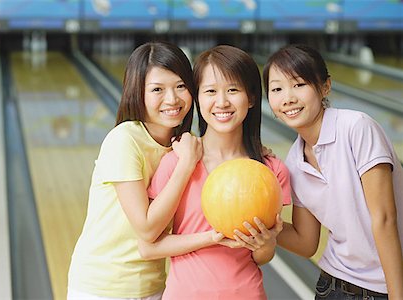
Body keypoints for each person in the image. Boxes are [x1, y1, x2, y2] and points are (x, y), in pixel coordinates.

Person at [138, 45, 291, 300]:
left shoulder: (271, 170)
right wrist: (212, 237)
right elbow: (149, 246)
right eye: (210, 91)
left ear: (251, 98)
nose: (222, 102)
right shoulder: (176, 163)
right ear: (198, 98)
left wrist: (266, 244)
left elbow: (262, 257)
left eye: (233, 90)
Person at [263, 44, 403, 299]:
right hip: (333, 287)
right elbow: (306, 243)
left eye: (299, 84)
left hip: (388, 288)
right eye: (277, 89)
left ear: (325, 86)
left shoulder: (357, 128)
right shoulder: (294, 162)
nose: (288, 98)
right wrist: (262, 224)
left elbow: (384, 219)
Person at [67, 41, 203, 300]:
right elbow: (147, 229)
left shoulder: (187, 145)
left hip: (153, 287)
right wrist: (185, 165)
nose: (172, 99)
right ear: (137, 92)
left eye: (180, 86)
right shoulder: (124, 140)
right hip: (102, 288)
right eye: (157, 90)